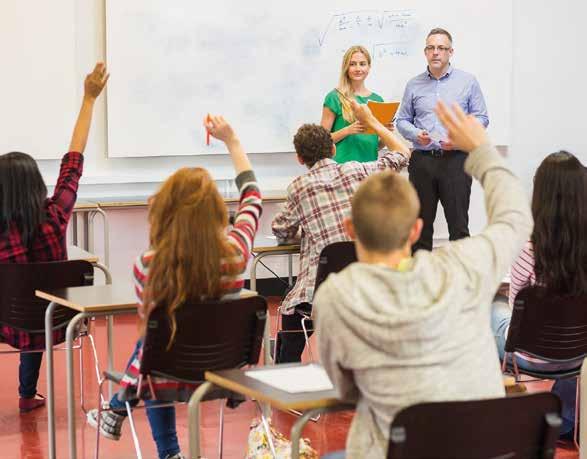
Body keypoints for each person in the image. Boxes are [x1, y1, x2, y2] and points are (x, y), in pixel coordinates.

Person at [315, 101, 532, 459]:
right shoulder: (464, 267)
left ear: (350, 229)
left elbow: (346, 389)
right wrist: (482, 150)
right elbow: (514, 219)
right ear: (417, 229)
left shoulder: (337, 296)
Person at [86, 116, 262, 459]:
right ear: (216, 211)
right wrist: (233, 142)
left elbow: (152, 338)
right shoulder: (237, 254)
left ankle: (164, 447)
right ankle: (117, 409)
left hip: (165, 377)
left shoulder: (149, 265)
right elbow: (252, 198)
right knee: (156, 343)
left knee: (153, 343)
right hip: (226, 375)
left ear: (165, 210)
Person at [0, 63, 108, 413]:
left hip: (6, 321)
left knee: (19, 305)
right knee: (36, 313)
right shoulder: (56, 214)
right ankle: (26, 394)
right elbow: (73, 161)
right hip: (54, 322)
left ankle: (27, 393)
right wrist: (89, 99)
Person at [272, 102, 410, 364]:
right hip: (365, 286)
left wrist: (306, 228)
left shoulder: (298, 187)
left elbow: (281, 230)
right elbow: (403, 152)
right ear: (333, 149)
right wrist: (373, 122)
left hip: (321, 294)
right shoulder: (359, 170)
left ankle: (284, 374)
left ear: (300, 158)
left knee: (294, 311)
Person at [492, 151, 587, 439]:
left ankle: (484, 414)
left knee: (490, 308)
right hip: (580, 354)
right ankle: (567, 415)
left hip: (529, 355)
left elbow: (514, 310)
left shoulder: (528, 247)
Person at [396, 28, 489, 252]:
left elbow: (482, 118)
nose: (435, 52)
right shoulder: (414, 84)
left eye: (441, 48)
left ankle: (462, 284)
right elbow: (402, 120)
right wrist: (416, 134)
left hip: (456, 160)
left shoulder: (468, 81)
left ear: (450, 52)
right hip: (422, 162)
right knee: (419, 229)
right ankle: (421, 283)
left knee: (459, 228)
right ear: (425, 52)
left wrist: (458, 139)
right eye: (431, 48)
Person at [321, 45, 390, 163]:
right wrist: (348, 130)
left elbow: (375, 146)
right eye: (352, 64)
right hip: (342, 169)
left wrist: (386, 132)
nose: (358, 68)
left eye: (362, 64)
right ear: (346, 67)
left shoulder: (378, 100)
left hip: (370, 168)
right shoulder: (334, 97)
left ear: (369, 67)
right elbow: (321, 141)